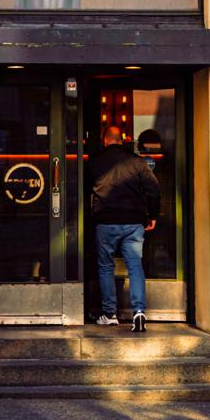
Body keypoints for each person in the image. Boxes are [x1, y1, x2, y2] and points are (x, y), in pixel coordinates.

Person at [88, 126, 160, 332]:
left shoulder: (95, 161)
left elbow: (84, 187)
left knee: (105, 267)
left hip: (105, 222)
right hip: (133, 222)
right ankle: (139, 312)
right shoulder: (137, 162)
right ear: (122, 140)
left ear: (105, 140)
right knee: (135, 266)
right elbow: (153, 188)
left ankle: (110, 314)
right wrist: (153, 215)